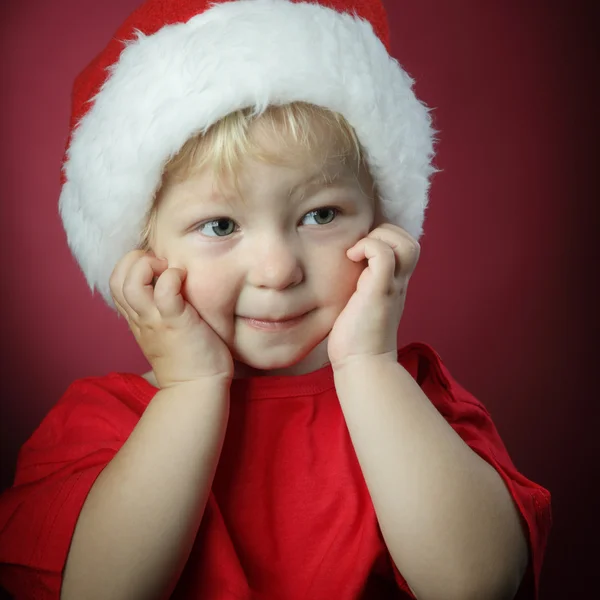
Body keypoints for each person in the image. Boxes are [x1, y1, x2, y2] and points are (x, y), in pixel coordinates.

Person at [0, 1, 552, 599]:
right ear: (144, 254)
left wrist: (368, 365)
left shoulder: (416, 400)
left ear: (379, 224)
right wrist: (191, 387)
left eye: (320, 214)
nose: (278, 269)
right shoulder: (100, 422)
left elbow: (477, 583)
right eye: (219, 225)